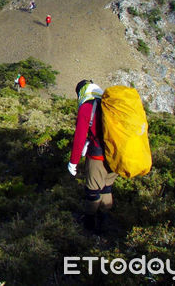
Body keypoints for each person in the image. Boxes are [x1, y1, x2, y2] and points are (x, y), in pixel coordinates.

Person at [67, 79, 118, 233]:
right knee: (107, 188)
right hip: (116, 155)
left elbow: (79, 137)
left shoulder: (88, 107)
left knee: (92, 191)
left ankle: (90, 225)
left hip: (97, 157)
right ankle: (105, 221)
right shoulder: (108, 104)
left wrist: (73, 162)